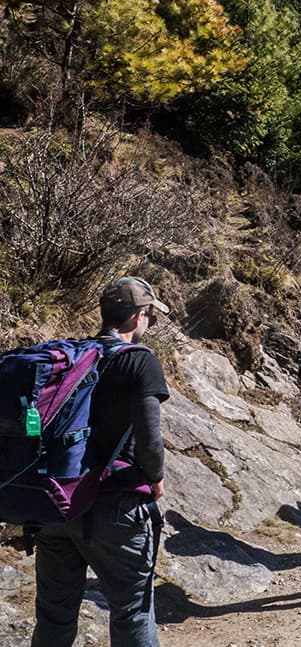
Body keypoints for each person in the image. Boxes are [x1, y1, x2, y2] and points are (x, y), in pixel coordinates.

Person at [31, 276, 170, 647]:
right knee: (132, 612)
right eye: (150, 316)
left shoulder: (74, 357)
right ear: (140, 317)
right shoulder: (140, 362)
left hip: (56, 503)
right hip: (116, 505)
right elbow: (150, 439)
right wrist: (155, 479)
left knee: (54, 615)